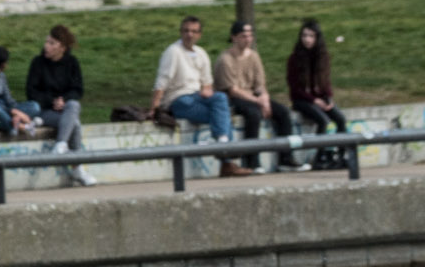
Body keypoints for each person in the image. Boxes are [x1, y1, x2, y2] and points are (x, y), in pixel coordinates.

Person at [149, 15, 244, 177]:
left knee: (220, 98)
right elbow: (162, 81)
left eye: (194, 31)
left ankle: (222, 143)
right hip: (178, 99)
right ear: (180, 32)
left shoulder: (201, 54)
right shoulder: (173, 52)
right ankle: (226, 156)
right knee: (221, 114)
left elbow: (207, 82)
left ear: (199, 34)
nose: (189, 35)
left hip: (197, 96)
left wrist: (207, 90)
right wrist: (154, 107)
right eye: (186, 31)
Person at [216, 18, 298, 172]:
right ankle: (252, 161)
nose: (247, 39)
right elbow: (233, 90)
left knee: (283, 112)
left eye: (249, 35)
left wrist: (265, 100)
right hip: (235, 98)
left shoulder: (253, 56)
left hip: (254, 96)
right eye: (243, 36)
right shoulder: (225, 59)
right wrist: (258, 102)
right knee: (253, 114)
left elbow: (260, 84)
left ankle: (286, 158)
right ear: (234, 37)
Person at [23, 24, 94, 184]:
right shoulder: (38, 63)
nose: (46, 46)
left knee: (74, 106)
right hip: (44, 112)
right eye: (47, 42)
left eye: (51, 43)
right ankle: (77, 169)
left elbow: (77, 90)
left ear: (62, 47)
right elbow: (31, 92)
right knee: (74, 123)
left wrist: (64, 100)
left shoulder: (72, 63)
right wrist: (52, 101)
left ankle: (61, 144)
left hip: (65, 109)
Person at [288, 18, 352, 169]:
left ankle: (341, 155)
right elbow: (295, 88)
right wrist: (313, 100)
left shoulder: (323, 58)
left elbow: (325, 82)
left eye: (311, 36)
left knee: (340, 119)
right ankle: (319, 157)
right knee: (323, 121)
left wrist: (328, 98)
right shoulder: (294, 59)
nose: (307, 39)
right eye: (304, 36)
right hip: (301, 99)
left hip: (318, 99)